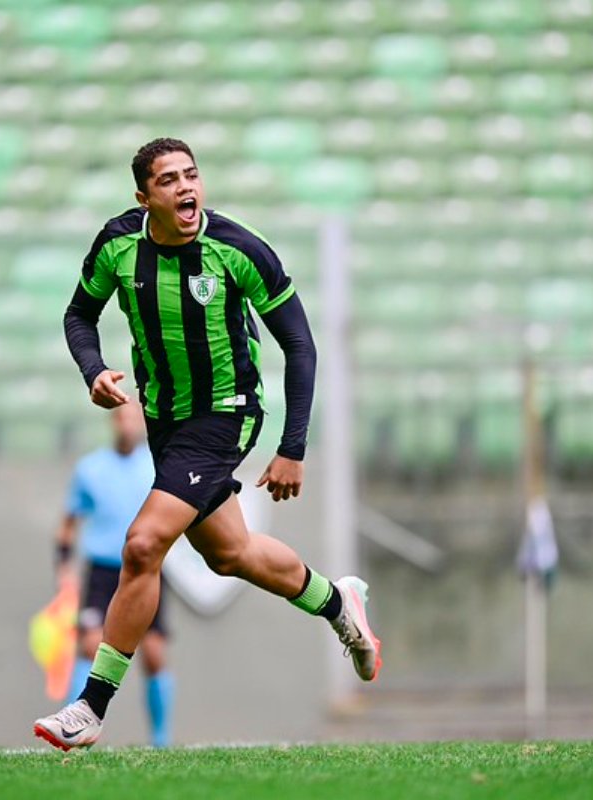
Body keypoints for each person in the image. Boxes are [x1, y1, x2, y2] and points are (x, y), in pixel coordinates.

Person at [34, 138, 381, 751]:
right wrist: (94, 370)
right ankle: (338, 603)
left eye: (191, 175)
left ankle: (91, 707)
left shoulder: (238, 249)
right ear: (145, 198)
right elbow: (78, 314)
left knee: (143, 545)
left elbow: (299, 345)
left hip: (226, 413)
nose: (185, 188)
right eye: (168, 181)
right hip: (166, 420)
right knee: (230, 553)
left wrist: (291, 446)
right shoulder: (118, 244)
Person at [55, 402, 174, 747]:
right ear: (114, 421)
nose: (129, 424)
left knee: (153, 653)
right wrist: (64, 568)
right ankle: (74, 728)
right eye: (123, 417)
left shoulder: (158, 466)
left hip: (148, 568)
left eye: (136, 417)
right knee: (90, 645)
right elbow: (68, 523)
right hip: (103, 570)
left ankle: (160, 740)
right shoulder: (90, 469)